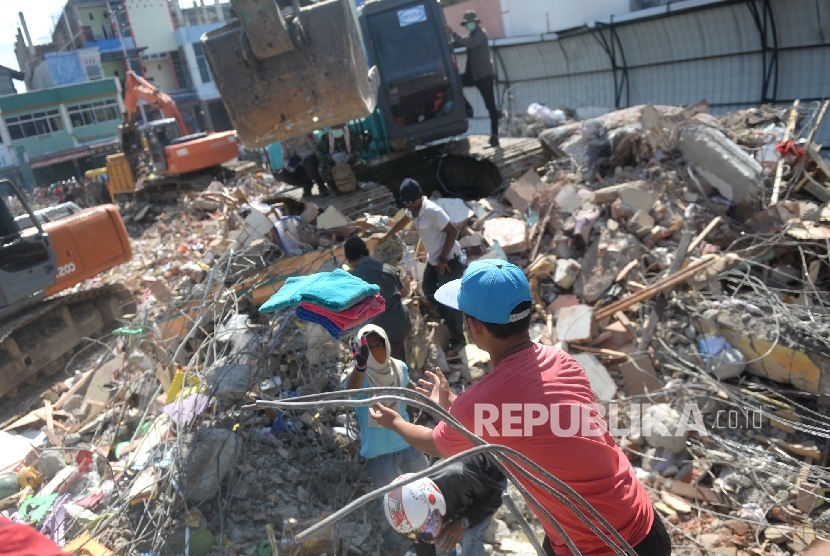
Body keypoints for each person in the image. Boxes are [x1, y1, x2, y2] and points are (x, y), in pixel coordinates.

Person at [370, 260, 671, 556]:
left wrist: (394, 421)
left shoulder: (484, 401)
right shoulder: (563, 362)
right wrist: (454, 406)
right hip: (644, 524)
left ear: (473, 327)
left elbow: (435, 444)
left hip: (598, 547)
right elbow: (527, 426)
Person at [345, 324, 428, 555]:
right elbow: (351, 391)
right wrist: (360, 366)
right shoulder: (359, 376)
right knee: (390, 505)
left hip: (407, 444)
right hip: (378, 454)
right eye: (369, 345)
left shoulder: (399, 367)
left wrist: (426, 396)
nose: (375, 348)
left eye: (378, 343)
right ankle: (391, 546)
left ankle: (425, 534)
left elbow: (409, 392)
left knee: (423, 489)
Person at [378, 179, 465, 354]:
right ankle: (449, 320)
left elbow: (452, 231)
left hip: (448, 260)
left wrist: (443, 258)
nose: (409, 206)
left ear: (419, 198)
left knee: (449, 298)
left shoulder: (432, 211)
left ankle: (458, 339)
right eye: (406, 203)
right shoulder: (414, 211)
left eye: (411, 202)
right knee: (428, 288)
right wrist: (387, 235)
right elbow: (404, 219)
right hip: (435, 260)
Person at [385, 454, 506, 556]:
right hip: (464, 492)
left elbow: (494, 496)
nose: (428, 529)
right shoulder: (419, 509)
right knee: (441, 541)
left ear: (433, 504)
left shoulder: (458, 475)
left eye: (429, 523)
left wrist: (462, 522)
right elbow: (423, 540)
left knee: (470, 536)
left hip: (489, 487)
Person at [344, 236, 411, 361]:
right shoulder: (387, 267)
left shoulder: (353, 279)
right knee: (397, 354)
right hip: (402, 321)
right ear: (366, 252)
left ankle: (399, 378)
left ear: (349, 259)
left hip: (383, 331)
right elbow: (403, 293)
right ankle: (403, 373)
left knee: (387, 364)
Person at [445, 11, 500, 148]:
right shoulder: (471, 35)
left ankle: (495, 137)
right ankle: (467, 107)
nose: (469, 25)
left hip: (483, 76)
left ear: (475, 22)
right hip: (474, 75)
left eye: (470, 23)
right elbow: (461, 42)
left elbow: (469, 43)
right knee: (455, 83)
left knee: (490, 107)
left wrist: (453, 33)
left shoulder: (481, 33)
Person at [317, 123, 363, 195]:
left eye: (338, 125)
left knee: (360, 163)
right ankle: (333, 188)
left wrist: (349, 157)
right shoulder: (325, 137)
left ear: (343, 124)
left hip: (348, 162)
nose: (336, 128)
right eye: (334, 126)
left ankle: (355, 182)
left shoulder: (352, 134)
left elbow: (358, 149)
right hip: (333, 165)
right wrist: (331, 158)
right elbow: (319, 155)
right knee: (322, 168)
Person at [281, 132, 329, 197]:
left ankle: (321, 186)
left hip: (311, 163)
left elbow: (315, 148)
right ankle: (306, 185)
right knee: (283, 174)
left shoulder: (306, 132)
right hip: (299, 167)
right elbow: (285, 157)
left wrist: (300, 156)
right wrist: (288, 164)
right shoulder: (283, 140)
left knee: (309, 162)